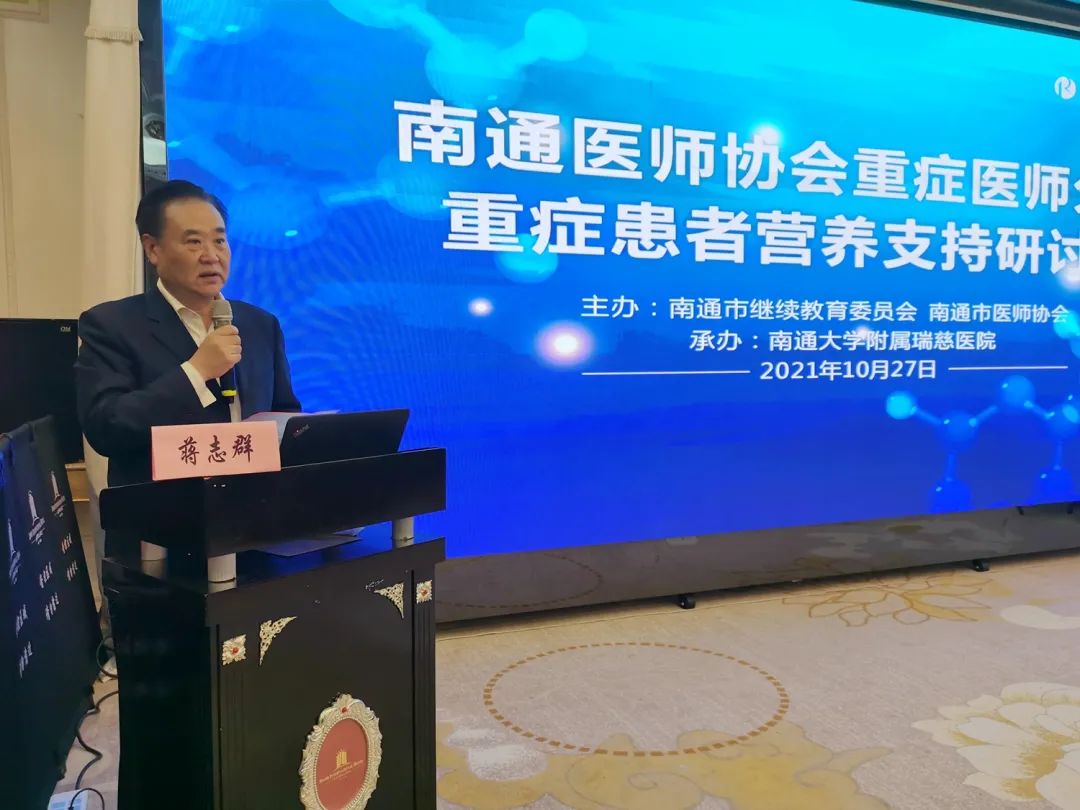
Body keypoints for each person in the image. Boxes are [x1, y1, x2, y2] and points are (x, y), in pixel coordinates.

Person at [76, 180, 301, 540]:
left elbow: (284, 413)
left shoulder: (260, 324)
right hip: (161, 536)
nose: (211, 255)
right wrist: (196, 373)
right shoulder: (111, 325)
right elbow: (106, 427)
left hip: (256, 526)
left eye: (219, 240)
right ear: (153, 249)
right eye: (193, 242)